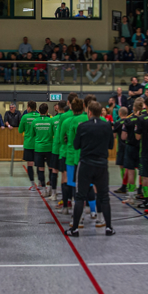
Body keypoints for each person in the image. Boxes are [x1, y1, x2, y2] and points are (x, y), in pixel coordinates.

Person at [65, 101, 116, 236]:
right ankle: (109, 227)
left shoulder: (83, 126)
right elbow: (111, 145)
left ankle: (75, 228)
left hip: (86, 164)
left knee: (80, 196)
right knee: (104, 196)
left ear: (89, 112)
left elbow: (76, 145)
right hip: (101, 165)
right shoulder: (106, 126)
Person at [32, 104, 54, 196]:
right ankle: (50, 189)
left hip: (39, 148)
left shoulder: (35, 121)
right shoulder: (51, 121)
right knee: (50, 168)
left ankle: (44, 189)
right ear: (47, 111)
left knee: (41, 169)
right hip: (49, 147)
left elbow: (33, 134)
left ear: (39, 111)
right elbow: (53, 133)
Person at [18, 101, 40, 190]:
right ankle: (40, 183)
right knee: (40, 165)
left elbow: (20, 130)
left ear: (29, 107)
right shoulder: (40, 117)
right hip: (38, 144)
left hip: (29, 143)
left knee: (30, 164)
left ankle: (33, 185)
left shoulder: (25, 117)